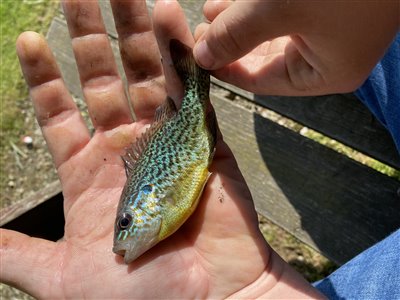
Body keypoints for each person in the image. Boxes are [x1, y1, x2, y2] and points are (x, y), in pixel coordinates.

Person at [0, 0, 398, 299]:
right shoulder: (157, 218)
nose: (121, 243)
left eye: (124, 225)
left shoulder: (155, 203)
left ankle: (197, 76)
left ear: (143, 205)